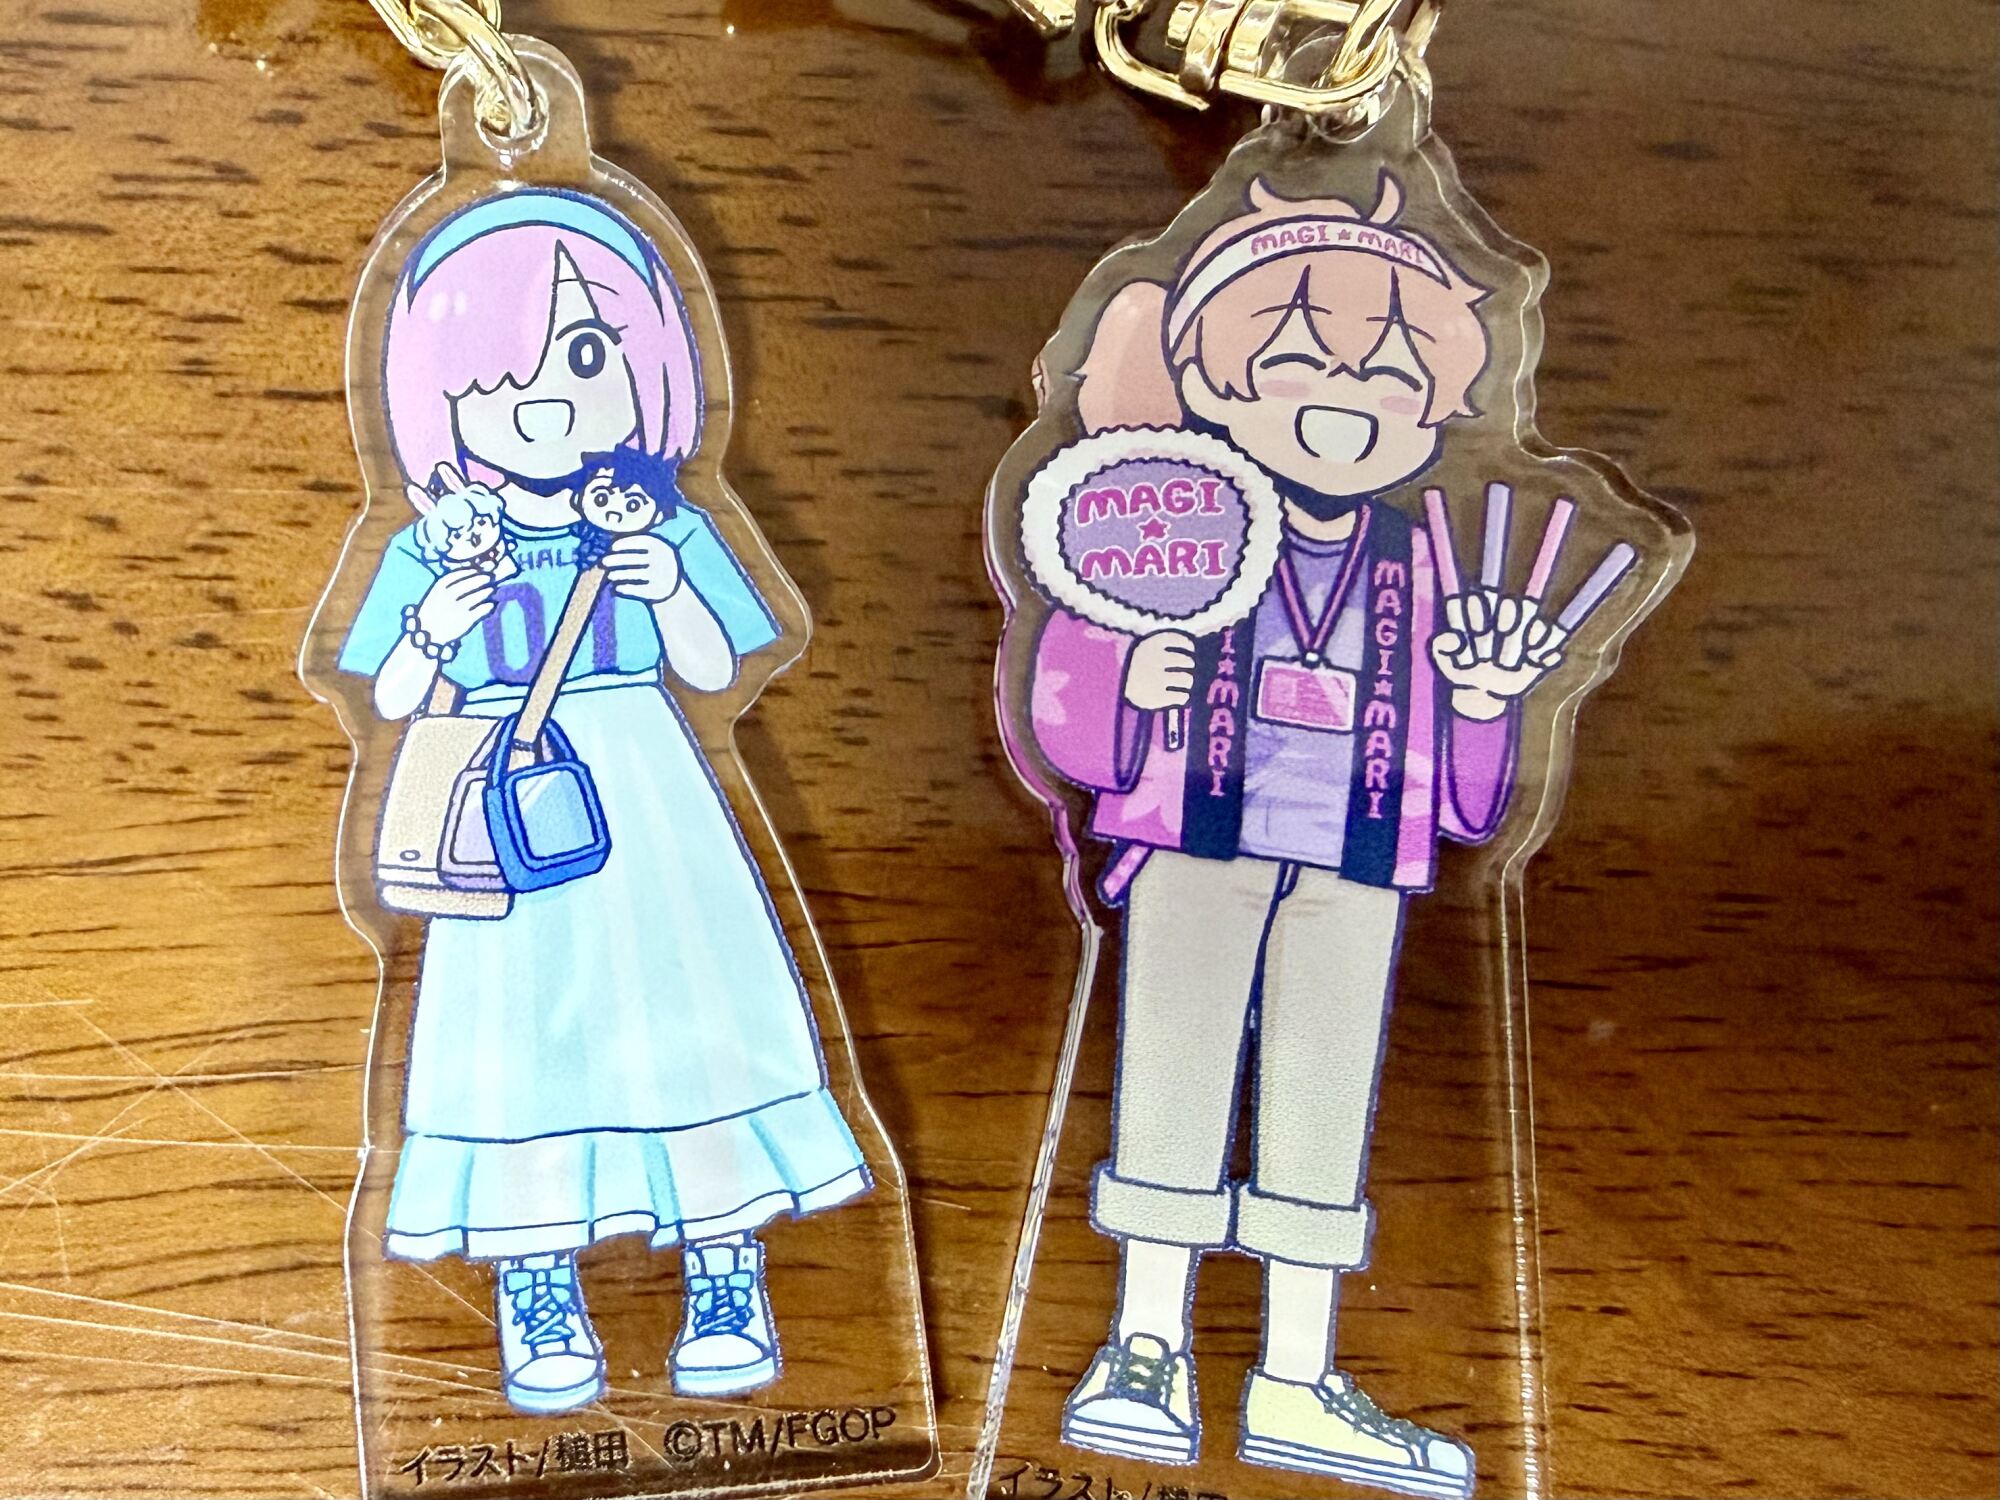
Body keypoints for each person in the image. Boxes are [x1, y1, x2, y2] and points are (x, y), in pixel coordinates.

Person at [1025, 174, 1559, 1497]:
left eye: (1391, 375)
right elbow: (1071, 712)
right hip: (1194, 842)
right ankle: (1142, 1349)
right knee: (1172, 1077)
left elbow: (1470, 803)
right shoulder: (1175, 524)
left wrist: (1482, 704)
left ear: (1436, 409)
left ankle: (1296, 1377)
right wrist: (1126, 682)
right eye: (1296, 360)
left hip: (1359, 863)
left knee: (1322, 1105)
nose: (1344, 396)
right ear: (1212, 381)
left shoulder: (1420, 558)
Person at [335, 190, 869, 1413]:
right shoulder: (435, 541)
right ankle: (537, 1284)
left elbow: (714, 668)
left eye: (583, 357)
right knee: (516, 1033)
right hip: (495, 801)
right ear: (437, 395)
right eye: (493, 375)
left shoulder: (657, 518)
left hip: (642, 780)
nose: (541, 402)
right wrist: (436, 622)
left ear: (647, 366)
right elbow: (392, 692)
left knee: (691, 997)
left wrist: (669, 581)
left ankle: (725, 1267)